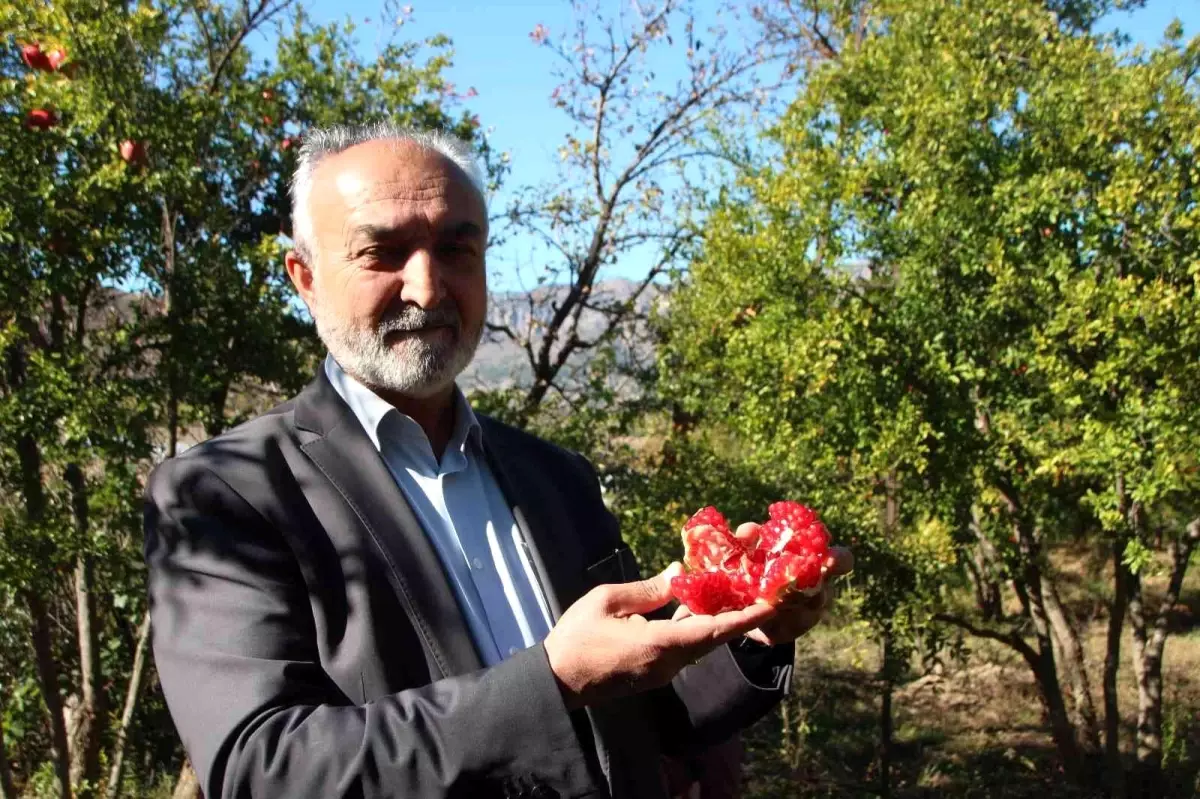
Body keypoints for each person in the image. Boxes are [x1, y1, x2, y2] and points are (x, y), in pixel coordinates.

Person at [143, 122, 853, 799]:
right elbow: (265, 770)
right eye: (382, 252)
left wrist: (754, 629)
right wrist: (553, 679)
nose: (427, 287)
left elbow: (649, 713)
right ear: (304, 276)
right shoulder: (225, 495)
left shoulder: (556, 478)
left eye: (458, 249)